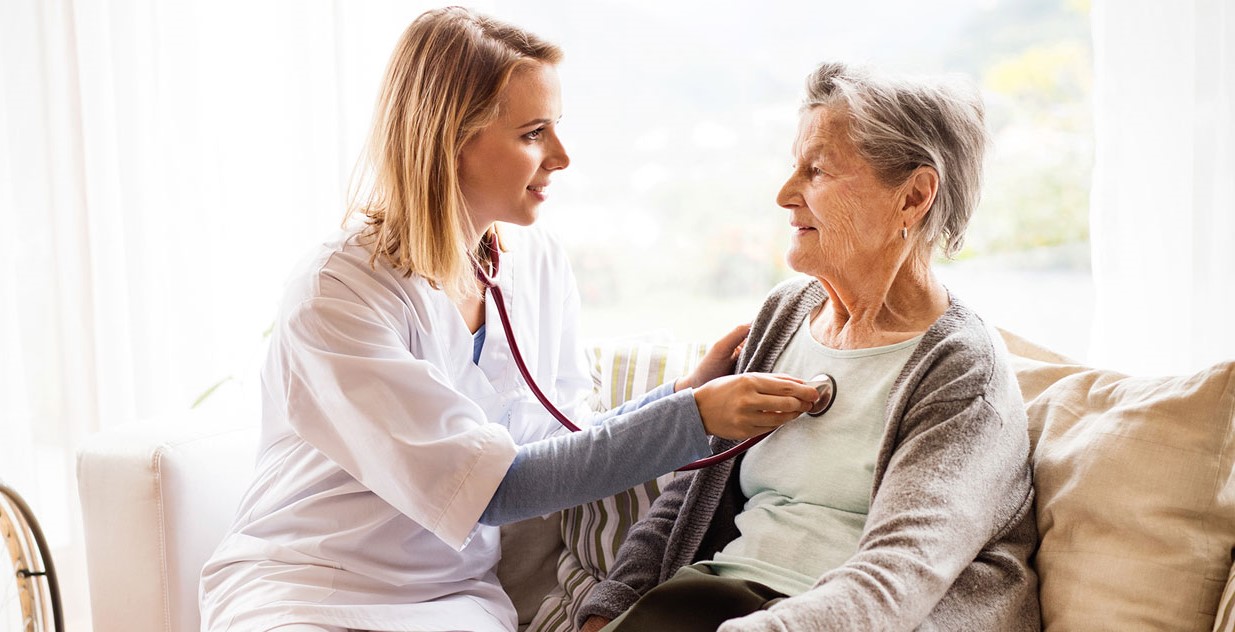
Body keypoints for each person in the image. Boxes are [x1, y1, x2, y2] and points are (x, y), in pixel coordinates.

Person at [197, 8, 819, 632]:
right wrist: (693, 417)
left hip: (450, 597)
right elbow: (497, 490)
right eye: (533, 133)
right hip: (306, 587)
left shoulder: (536, 261)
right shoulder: (337, 295)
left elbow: (562, 447)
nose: (562, 156)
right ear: (448, 140)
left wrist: (682, 394)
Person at [578, 62, 1041, 632]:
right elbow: (692, 491)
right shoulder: (786, 314)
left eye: (816, 170)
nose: (784, 194)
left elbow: (901, 573)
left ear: (914, 196)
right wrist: (609, 606)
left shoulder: (962, 370)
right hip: (711, 599)